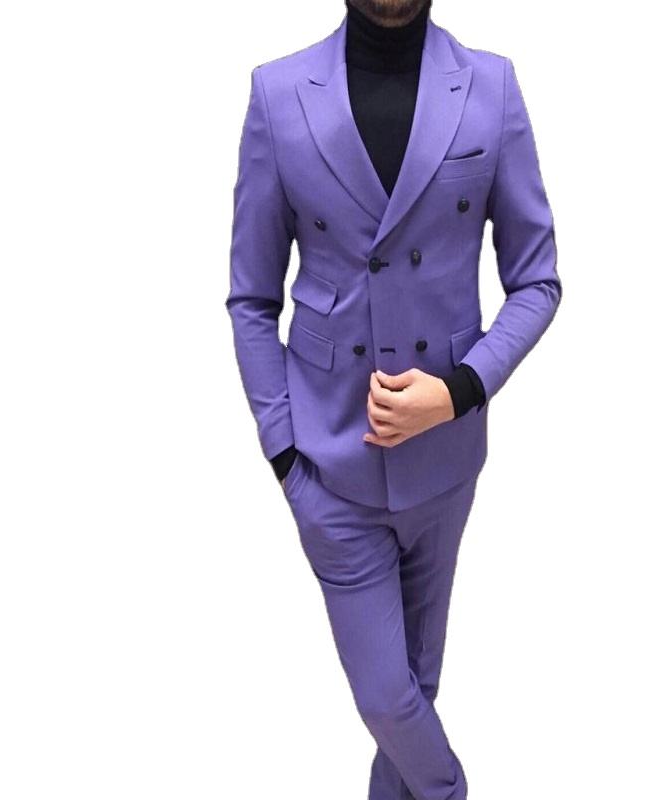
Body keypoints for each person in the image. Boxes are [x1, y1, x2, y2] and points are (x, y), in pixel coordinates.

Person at [226, 1, 562, 797]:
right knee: (386, 696)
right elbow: (251, 299)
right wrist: (284, 454)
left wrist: (460, 390)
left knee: (417, 686)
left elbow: (537, 281)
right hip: (329, 460)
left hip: (446, 462)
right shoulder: (278, 93)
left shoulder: (491, 87)